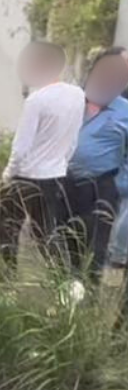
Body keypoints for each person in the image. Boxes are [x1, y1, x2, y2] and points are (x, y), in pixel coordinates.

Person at [0, 42, 84, 276]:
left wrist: (8, 174)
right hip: (54, 175)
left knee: (8, 229)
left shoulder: (36, 100)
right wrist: (61, 162)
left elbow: (21, 146)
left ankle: (6, 280)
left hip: (25, 176)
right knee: (46, 232)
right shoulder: (77, 96)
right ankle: (62, 281)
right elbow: (73, 139)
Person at [64, 47, 128, 281]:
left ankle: (88, 295)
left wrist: (119, 186)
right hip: (64, 182)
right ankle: (64, 293)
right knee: (65, 243)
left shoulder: (125, 112)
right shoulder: (71, 101)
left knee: (94, 249)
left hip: (102, 187)